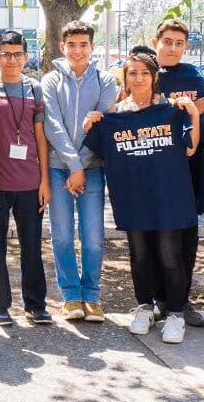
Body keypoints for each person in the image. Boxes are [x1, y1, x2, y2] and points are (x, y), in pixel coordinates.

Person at [83, 52, 199, 343]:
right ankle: (145, 306)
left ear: (154, 77)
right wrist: (92, 122)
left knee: (170, 255)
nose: (138, 78)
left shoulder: (170, 109)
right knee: (140, 255)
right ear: (125, 78)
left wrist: (194, 113)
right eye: (132, 73)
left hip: (168, 196)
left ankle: (175, 314)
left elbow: (189, 149)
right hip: (134, 197)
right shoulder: (115, 115)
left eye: (144, 73)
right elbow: (95, 145)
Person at [41, 20, 117, 322]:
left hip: (93, 169)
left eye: (83, 44)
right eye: (71, 44)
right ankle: (71, 296)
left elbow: (97, 124)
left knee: (93, 236)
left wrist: (82, 167)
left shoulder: (106, 80)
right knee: (61, 235)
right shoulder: (49, 81)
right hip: (60, 169)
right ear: (62, 47)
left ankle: (92, 296)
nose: (77, 50)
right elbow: (52, 125)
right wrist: (73, 167)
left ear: (92, 47)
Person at [0, 30, 52, 326]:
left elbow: (40, 138)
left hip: (30, 183)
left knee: (32, 246)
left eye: (18, 54)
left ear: (26, 56)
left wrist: (45, 181)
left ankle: (35, 304)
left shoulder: (34, 89)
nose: (12, 60)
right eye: (6, 54)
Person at [151, 19, 204, 327]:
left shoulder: (194, 75)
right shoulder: (145, 71)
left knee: (186, 235)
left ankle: (182, 302)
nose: (172, 47)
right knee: (155, 235)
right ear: (157, 41)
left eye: (179, 43)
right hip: (154, 165)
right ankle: (158, 300)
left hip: (188, 165)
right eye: (167, 41)